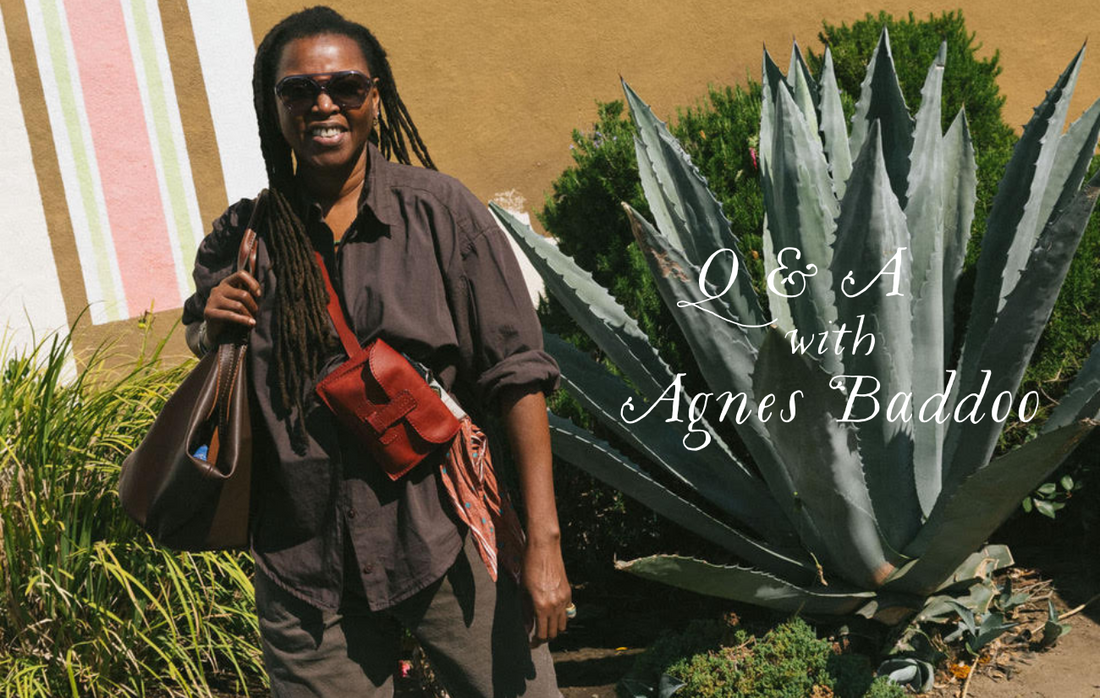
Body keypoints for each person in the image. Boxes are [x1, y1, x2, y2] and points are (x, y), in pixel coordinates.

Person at [181, 6, 571, 696]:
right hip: (302, 565)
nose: (323, 103)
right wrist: (210, 328)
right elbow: (210, 353)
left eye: (346, 86)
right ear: (272, 106)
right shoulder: (242, 239)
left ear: (375, 97)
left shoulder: (441, 214)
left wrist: (543, 546)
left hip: (449, 540)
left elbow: (519, 378)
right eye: (298, 90)